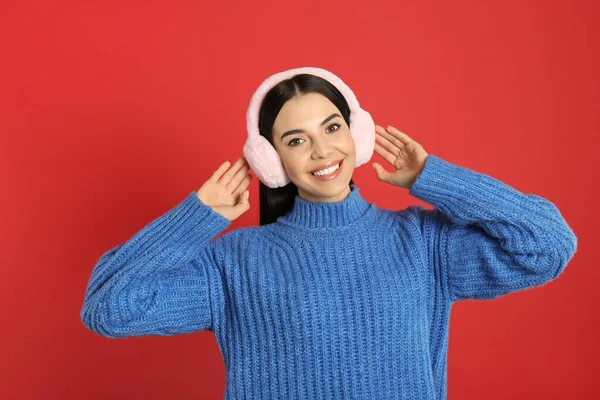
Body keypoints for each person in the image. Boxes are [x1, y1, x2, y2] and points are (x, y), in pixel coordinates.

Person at [80, 67, 578, 399]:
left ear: (356, 135)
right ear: (271, 160)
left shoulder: (424, 244)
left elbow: (548, 245)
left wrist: (437, 178)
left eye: (333, 128)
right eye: (296, 140)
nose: (322, 152)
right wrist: (196, 217)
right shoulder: (232, 263)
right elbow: (107, 308)